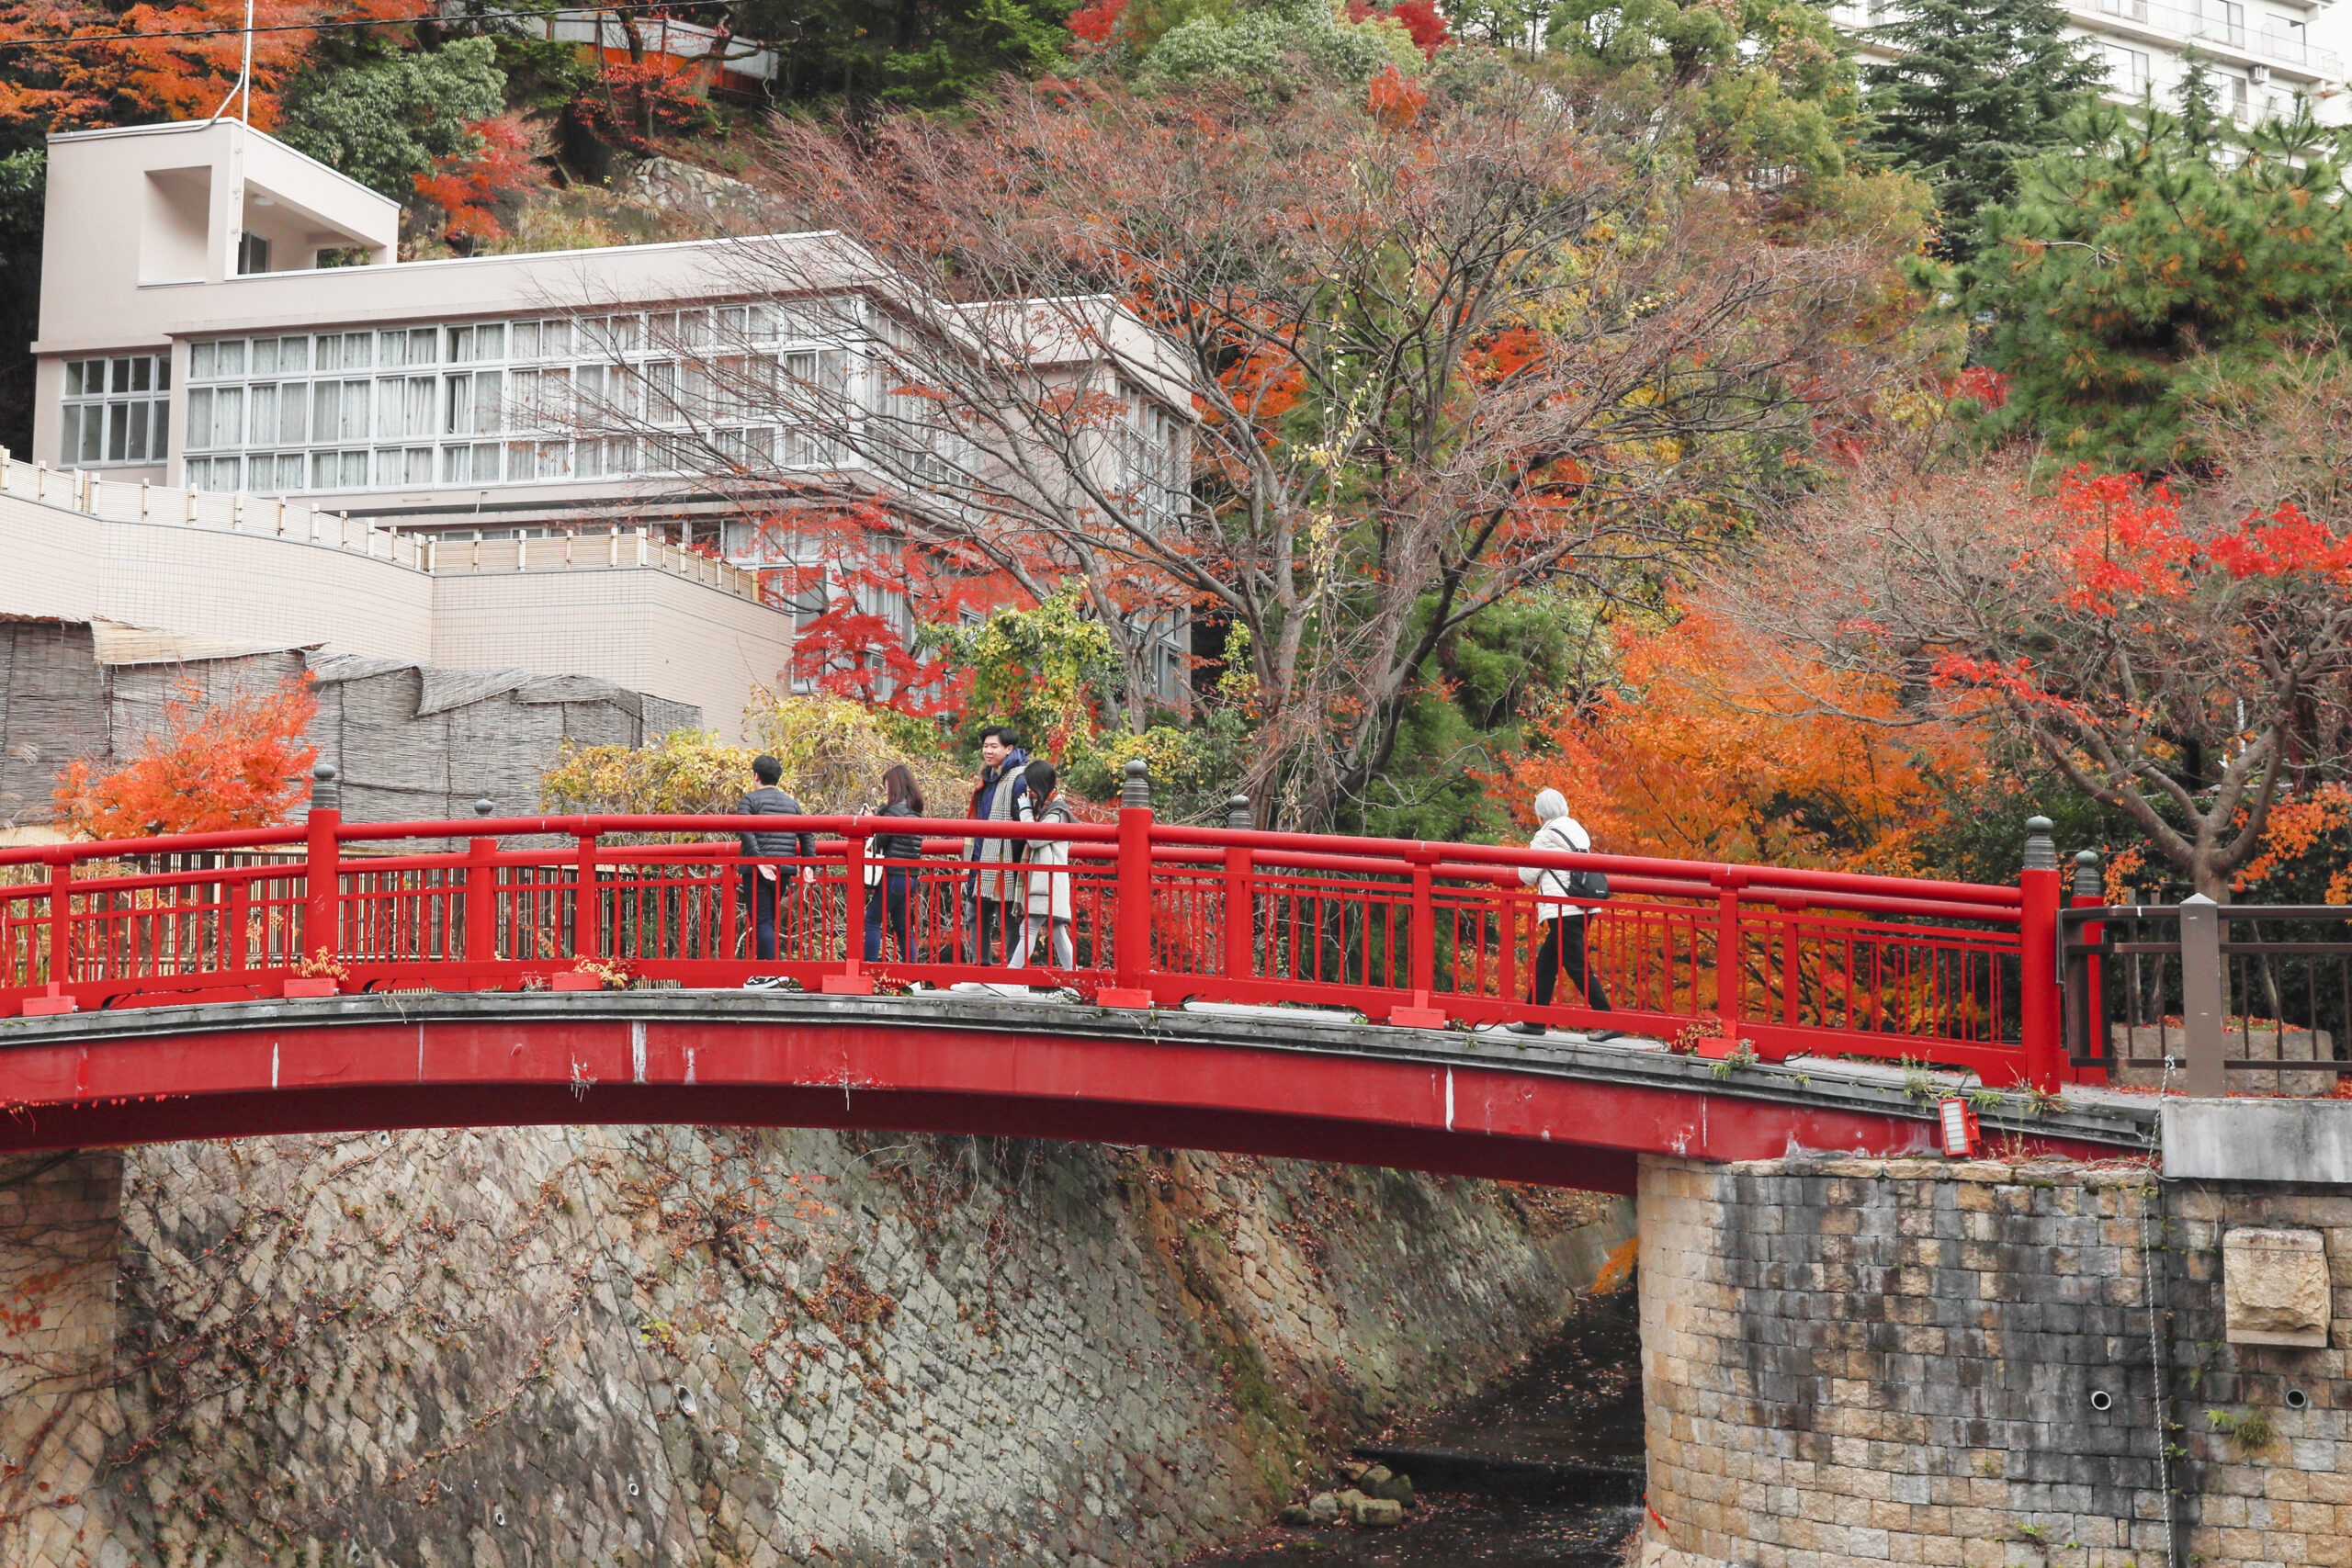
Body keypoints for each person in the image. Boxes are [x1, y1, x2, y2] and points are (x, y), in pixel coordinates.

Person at [1514, 788, 1620, 1040]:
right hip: (1583, 905)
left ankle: (1608, 1020)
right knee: (1547, 963)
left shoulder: (1546, 835)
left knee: (1576, 965)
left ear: (1540, 813)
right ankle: (1534, 1020)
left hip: (1563, 908)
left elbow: (1526, 875)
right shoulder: (1576, 829)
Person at [737, 754, 814, 983]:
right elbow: (807, 833)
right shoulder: (792, 804)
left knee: (761, 920)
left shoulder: (750, 800)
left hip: (758, 870)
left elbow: (745, 831)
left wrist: (759, 861)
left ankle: (768, 973)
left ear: (755, 776)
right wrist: (809, 865)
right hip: (785, 869)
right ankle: (772, 971)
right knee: (768, 920)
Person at [966, 726, 1031, 964]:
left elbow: (1022, 825)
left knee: (1009, 918)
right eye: (985, 746)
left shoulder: (1019, 778)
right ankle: (980, 970)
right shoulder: (989, 777)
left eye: (994, 746)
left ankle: (1014, 975)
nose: (988, 751)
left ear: (1009, 749)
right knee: (976, 913)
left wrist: (1012, 859)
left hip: (1006, 861)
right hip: (983, 857)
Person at [1008, 759, 1076, 972]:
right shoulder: (1049, 810)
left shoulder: (1057, 812)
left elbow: (1036, 839)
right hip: (1046, 879)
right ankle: (1075, 979)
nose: (1029, 791)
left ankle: (1011, 976)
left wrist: (1025, 811)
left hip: (1047, 880)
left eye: (1031, 785)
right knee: (1056, 931)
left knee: (1028, 929)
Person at [865, 763, 924, 964]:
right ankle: (912, 976)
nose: (885, 791)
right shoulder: (914, 810)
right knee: (903, 925)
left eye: (887, 786)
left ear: (895, 786)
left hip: (893, 875)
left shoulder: (893, 811)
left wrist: (872, 822)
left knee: (872, 920)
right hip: (911, 876)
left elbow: (881, 841)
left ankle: (869, 970)